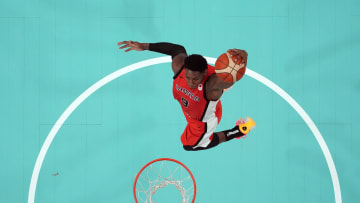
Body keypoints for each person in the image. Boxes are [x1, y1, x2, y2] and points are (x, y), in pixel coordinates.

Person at [118, 41, 255, 151]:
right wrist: (145, 46)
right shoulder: (179, 67)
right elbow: (176, 49)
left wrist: (244, 57)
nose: (190, 82)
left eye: (195, 79)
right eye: (188, 77)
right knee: (212, 86)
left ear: (204, 72)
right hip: (191, 108)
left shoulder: (211, 85)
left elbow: (233, 76)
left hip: (202, 122)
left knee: (190, 146)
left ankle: (238, 131)